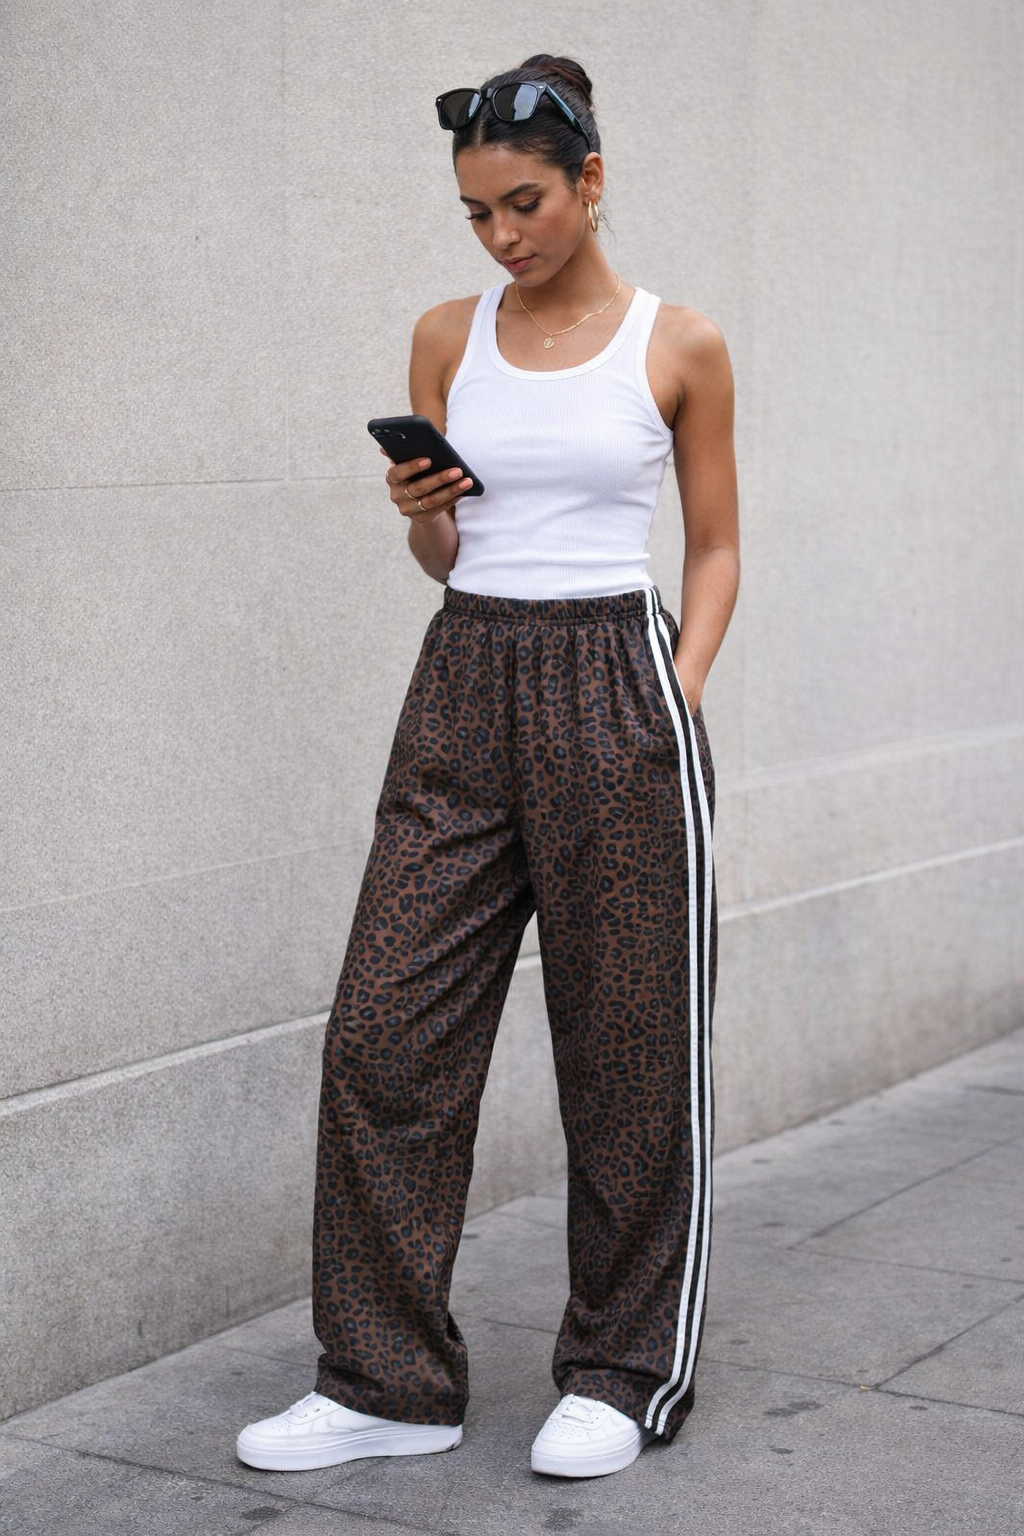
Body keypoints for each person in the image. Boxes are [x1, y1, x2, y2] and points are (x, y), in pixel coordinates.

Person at [237, 51, 739, 1482]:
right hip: (463, 678)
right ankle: (387, 1382)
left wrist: (678, 694)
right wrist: (420, 506)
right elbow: (443, 551)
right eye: (476, 213)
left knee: (631, 1054)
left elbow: (716, 546)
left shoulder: (677, 343)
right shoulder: (446, 337)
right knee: (385, 1033)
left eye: (526, 203)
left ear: (591, 180)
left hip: (617, 682)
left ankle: (623, 1370)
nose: (502, 235)